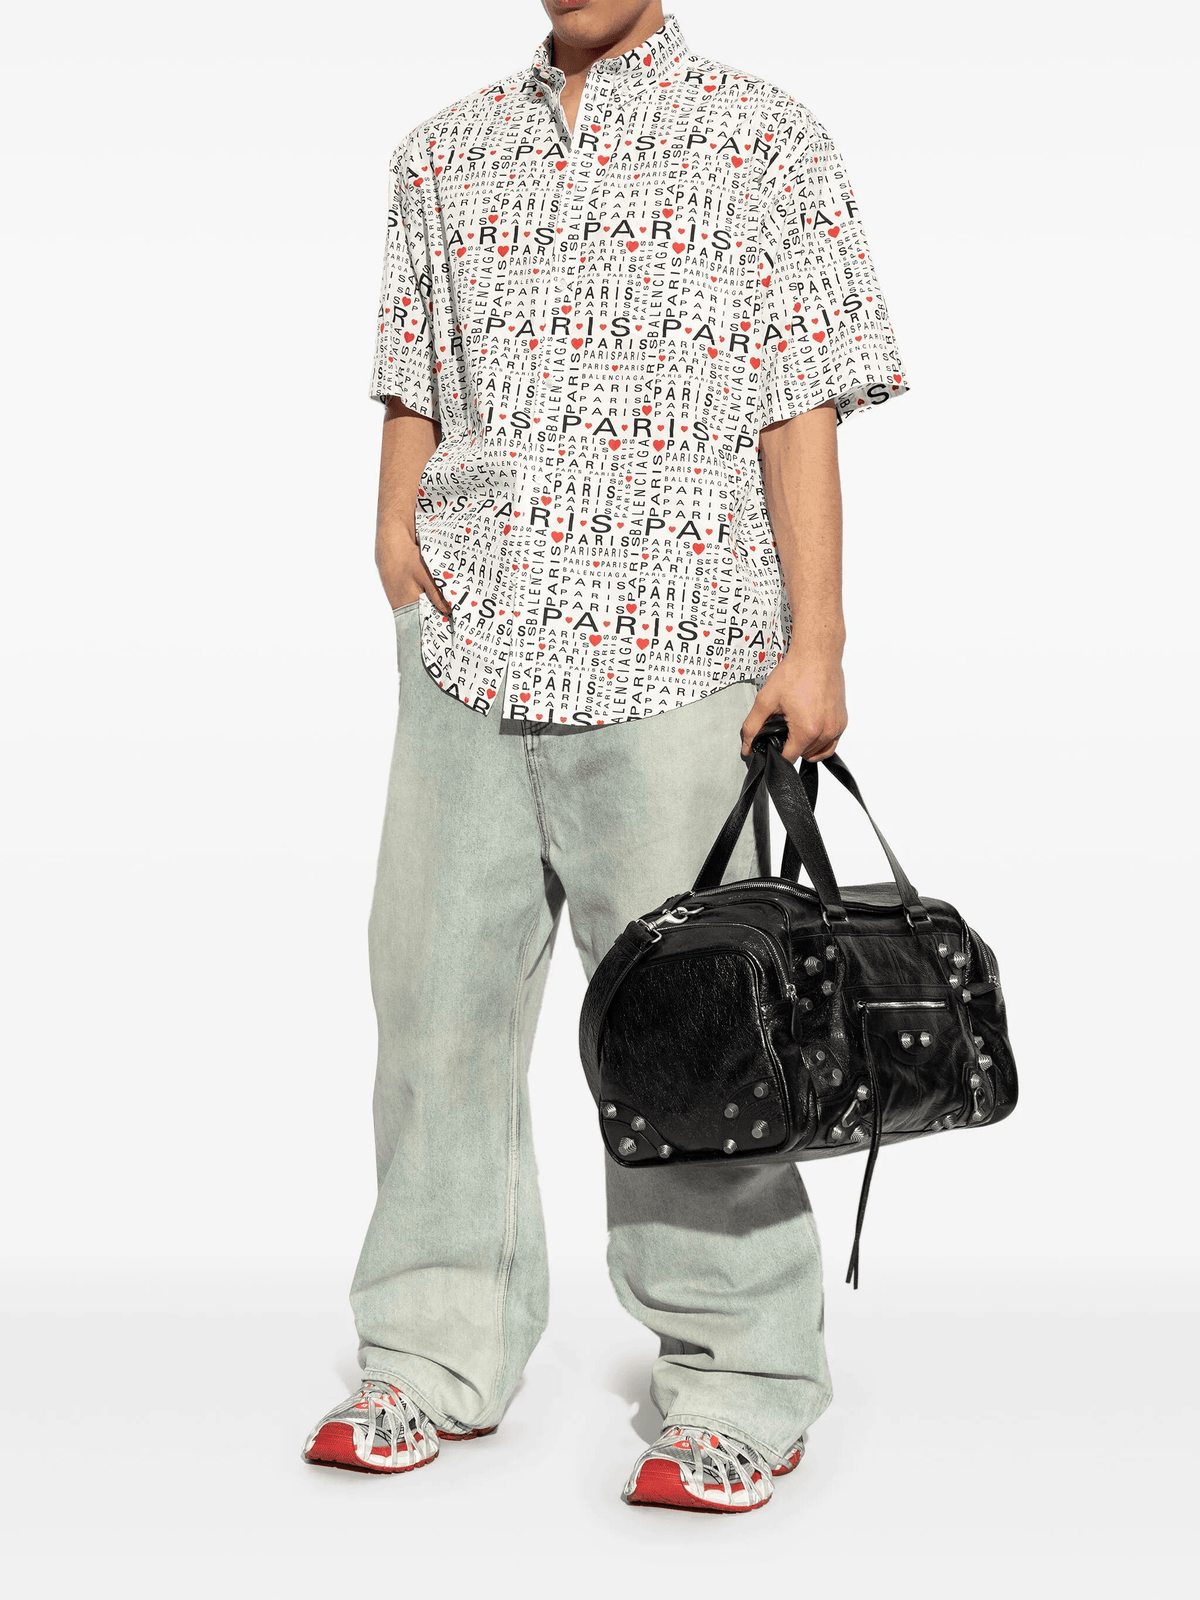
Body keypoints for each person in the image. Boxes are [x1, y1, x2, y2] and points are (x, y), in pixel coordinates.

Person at [302, 0, 907, 1512]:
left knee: (693, 1035)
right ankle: (428, 1352)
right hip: (470, 654)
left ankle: (745, 1379)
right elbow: (415, 368)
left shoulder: (763, 139)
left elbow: (799, 406)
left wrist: (819, 641)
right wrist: (393, 529)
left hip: (677, 653)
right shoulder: (442, 153)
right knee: (432, 1013)